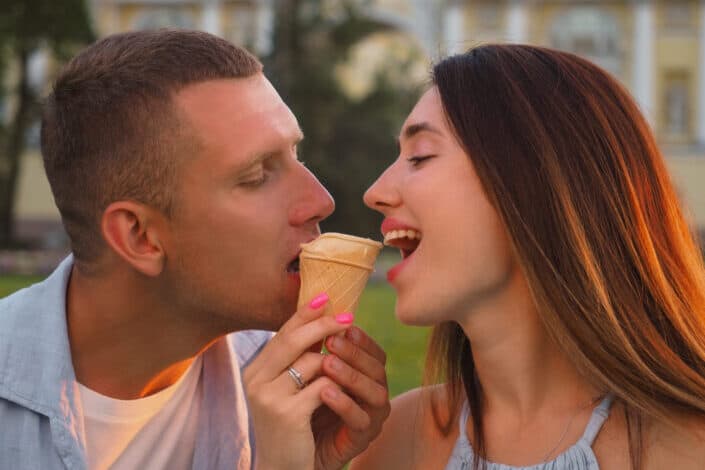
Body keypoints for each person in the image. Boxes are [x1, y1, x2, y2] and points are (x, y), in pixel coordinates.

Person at [0, 30, 389, 470]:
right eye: (259, 175)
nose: (321, 200)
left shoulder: (290, 402)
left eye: (296, 155)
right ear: (140, 237)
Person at [354, 44, 705, 469]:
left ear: (535, 182)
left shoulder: (689, 448)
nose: (375, 193)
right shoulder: (394, 440)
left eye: (420, 156)